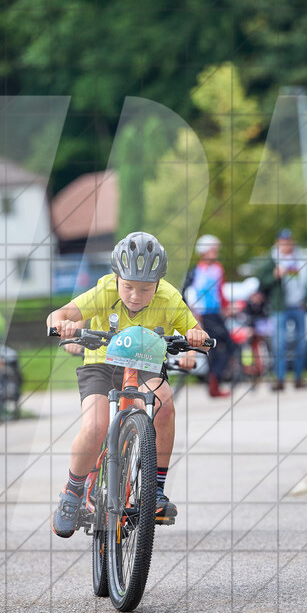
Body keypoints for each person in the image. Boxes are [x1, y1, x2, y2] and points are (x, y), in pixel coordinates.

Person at [47, 231, 210, 538]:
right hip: (101, 364)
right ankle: (72, 493)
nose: (136, 296)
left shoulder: (170, 298)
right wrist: (63, 324)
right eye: (128, 286)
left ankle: (156, 491)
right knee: (95, 427)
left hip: (145, 365)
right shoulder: (105, 290)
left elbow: (193, 330)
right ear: (117, 278)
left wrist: (194, 342)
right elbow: (61, 314)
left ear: (159, 283)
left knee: (165, 407)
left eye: (146, 289)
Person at [257, 229, 307, 391]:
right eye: (283, 241)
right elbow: (261, 280)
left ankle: (298, 378)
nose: (287, 244)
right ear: (278, 242)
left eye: (289, 241)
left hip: (298, 306)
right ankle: (279, 380)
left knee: (301, 344)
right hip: (279, 307)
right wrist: (274, 276)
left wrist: (306, 299)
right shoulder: (272, 260)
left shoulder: (300, 258)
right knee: (279, 344)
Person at [184, 234, 236, 397]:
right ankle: (214, 383)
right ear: (205, 251)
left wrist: (226, 307)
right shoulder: (195, 272)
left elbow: (220, 293)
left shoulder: (218, 268)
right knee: (215, 348)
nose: (216, 251)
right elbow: (185, 294)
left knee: (228, 345)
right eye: (214, 249)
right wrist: (193, 314)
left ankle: (214, 381)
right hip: (204, 315)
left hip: (216, 314)